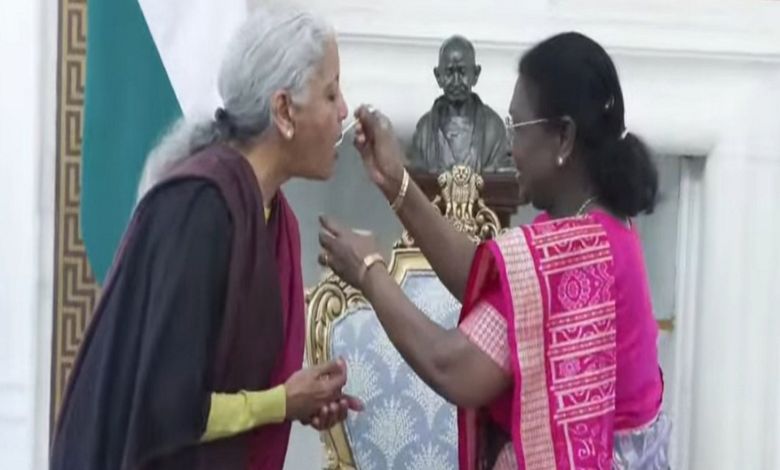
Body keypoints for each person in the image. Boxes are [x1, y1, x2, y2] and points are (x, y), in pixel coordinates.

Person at [319, 32, 669, 469]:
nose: (509, 147)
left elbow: (454, 367)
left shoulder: (580, 252)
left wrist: (369, 270)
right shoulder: (589, 228)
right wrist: (396, 182)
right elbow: (485, 284)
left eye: (516, 127)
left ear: (563, 137)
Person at [50, 5, 361, 470]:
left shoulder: (274, 218)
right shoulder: (199, 209)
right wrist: (281, 402)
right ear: (283, 111)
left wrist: (299, 400)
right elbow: (167, 407)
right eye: (330, 93)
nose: (344, 111)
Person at [408, 35, 514, 174]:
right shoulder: (424, 130)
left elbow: (501, 181)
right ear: (438, 76)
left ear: (475, 74)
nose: (456, 81)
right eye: (449, 72)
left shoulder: (493, 128)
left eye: (462, 72)